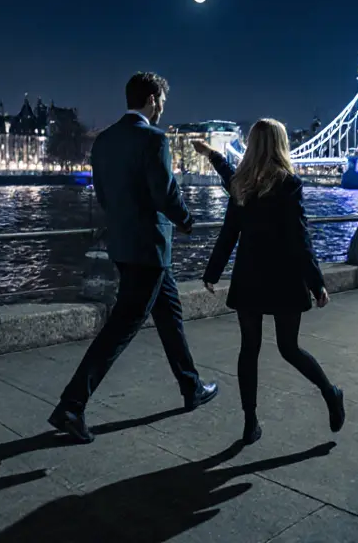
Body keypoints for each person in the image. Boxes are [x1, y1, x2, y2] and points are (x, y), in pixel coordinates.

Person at [49, 72, 217, 444]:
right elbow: (165, 191)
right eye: (162, 103)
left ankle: (191, 388)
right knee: (121, 328)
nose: (162, 110)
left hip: (123, 244)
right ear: (153, 99)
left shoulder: (104, 140)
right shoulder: (154, 139)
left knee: (170, 316)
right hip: (149, 248)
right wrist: (186, 220)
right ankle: (71, 406)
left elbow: (104, 194)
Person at [198, 120, 344, 445]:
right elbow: (300, 238)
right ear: (281, 144)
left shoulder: (240, 185)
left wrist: (212, 272)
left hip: (249, 276)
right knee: (289, 348)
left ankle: (250, 424)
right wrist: (316, 282)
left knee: (249, 350)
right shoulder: (289, 184)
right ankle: (330, 392)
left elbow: (228, 234)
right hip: (285, 277)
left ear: (250, 145)